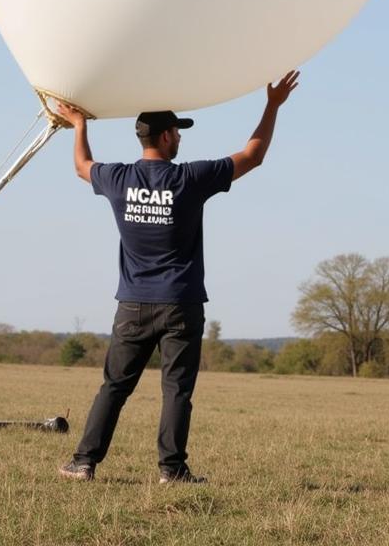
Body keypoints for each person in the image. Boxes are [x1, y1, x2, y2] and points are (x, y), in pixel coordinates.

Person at [55, 71, 299, 484]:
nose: (181, 139)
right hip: (181, 303)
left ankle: (83, 463)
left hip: (132, 304)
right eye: (178, 133)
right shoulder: (189, 179)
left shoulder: (117, 179)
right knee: (177, 391)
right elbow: (252, 155)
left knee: (114, 387)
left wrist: (79, 126)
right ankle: (172, 470)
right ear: (166, 137)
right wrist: (272, 106)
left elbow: (82, 167)